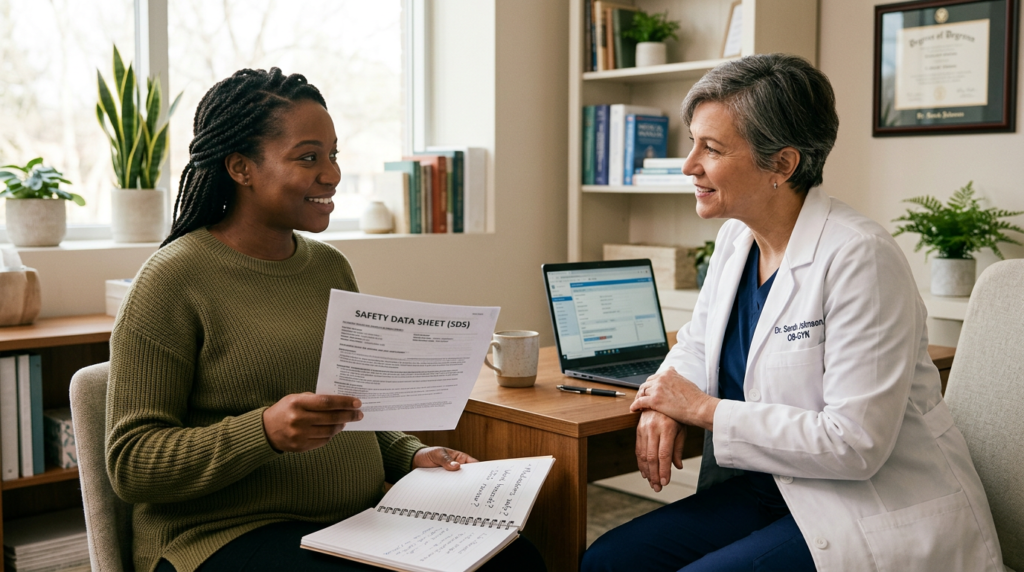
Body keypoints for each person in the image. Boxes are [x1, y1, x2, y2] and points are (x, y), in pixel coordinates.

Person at [105, 68, 545, 572]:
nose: (332, 174)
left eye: (333, 155)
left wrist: (411, 455)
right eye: (308, 157)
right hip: (220, 536)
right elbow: (131, 463)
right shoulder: (172, 280)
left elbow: (356, 407)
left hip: (352, 522)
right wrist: (263, 431)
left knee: (518, 561)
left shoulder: (329, 266)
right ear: (241, 167)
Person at [582, 54, 1002, 571]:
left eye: (710, 148)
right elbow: (695, 343)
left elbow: (855, 444)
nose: (689, 165)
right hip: (767, 489)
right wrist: (660, 401)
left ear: (783, 164)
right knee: (608, 560)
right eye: (693, 143)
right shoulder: (737, 238)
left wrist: (701, 410)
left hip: (864, 502)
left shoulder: (860, 257)